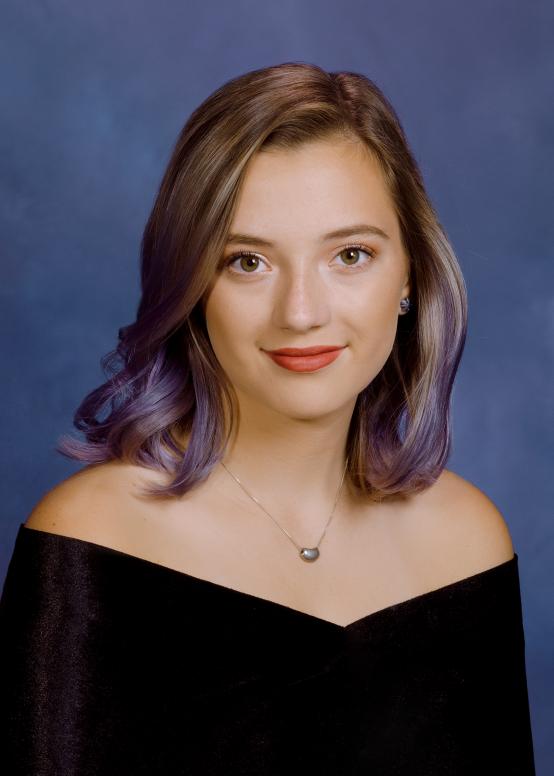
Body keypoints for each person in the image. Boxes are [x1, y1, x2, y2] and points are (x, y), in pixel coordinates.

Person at [0, 62, 535, 774]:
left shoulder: (469, 542)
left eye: (351, 255)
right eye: (247, 261)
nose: (302, 312)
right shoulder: (94, 536)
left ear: (409, 274)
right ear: (192, 285)